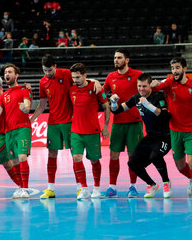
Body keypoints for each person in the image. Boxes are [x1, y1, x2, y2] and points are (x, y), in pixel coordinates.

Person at [30, 55, 101, 198]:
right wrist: (31, 119)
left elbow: (82, 80)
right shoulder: (43, 82)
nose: (47, 73)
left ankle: (80, 188)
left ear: (55, 66)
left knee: (75, 155)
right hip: (53, 122)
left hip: (69, 121)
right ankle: (50, 188)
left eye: (50, 70)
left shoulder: (66, 74)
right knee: (51, 154)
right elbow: (43, 105)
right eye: (45, 70)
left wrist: (96, 81)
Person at [111, 73, 171, 198]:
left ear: (150, 86)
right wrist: (114, 103)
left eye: (144, 86)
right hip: (150, 137)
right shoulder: (136, 98)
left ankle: (166, 182)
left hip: (165, 136)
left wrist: (148, 105)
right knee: (132, 163)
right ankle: (152, 184)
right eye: (139, 86)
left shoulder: (158, 96)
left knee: (155, 156)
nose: (141, 89)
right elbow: (118, 110)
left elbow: (165, 115)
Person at [151, 57, 192, 198]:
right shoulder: (168, 83)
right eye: (173, 68)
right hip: (174, 131)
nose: (175, 71)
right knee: (180, 166)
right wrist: (154, 83)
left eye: (177, 67)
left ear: (184, 69)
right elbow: (156, 87)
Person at [0, 64, 32, 199]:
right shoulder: (3, 97)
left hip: (20, 129)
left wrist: (25, 108)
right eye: (5, 72)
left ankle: (24, 189)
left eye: (10, 72)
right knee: (11, 163)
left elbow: (27, 106)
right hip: (8, 132)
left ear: (16, 75)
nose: (7, 74)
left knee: (21, 157)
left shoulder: (23, 90)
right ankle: (21, 186)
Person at [103, 49, 143, 198]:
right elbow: (103, 92)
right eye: (114, 58)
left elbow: (149, 88)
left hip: (135, 123)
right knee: (114, 154)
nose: (116, 60)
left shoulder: (138, 75)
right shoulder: (110, 77)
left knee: (133, 156)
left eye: (119, 58)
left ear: (127, 60)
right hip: (118, 123)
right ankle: (112, 187)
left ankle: (133, 187)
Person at [69, 63, 110, 199]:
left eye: (78, 77)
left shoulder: (95, 88)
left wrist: (105, 126)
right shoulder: (71, 89)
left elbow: (106, 106)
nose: (75, 80)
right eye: (73, 77)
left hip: (92, 131)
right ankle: (84, 188)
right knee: (76, 158)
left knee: (94, 160)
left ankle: (97, 188)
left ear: (85, 75)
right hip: (75, 131)